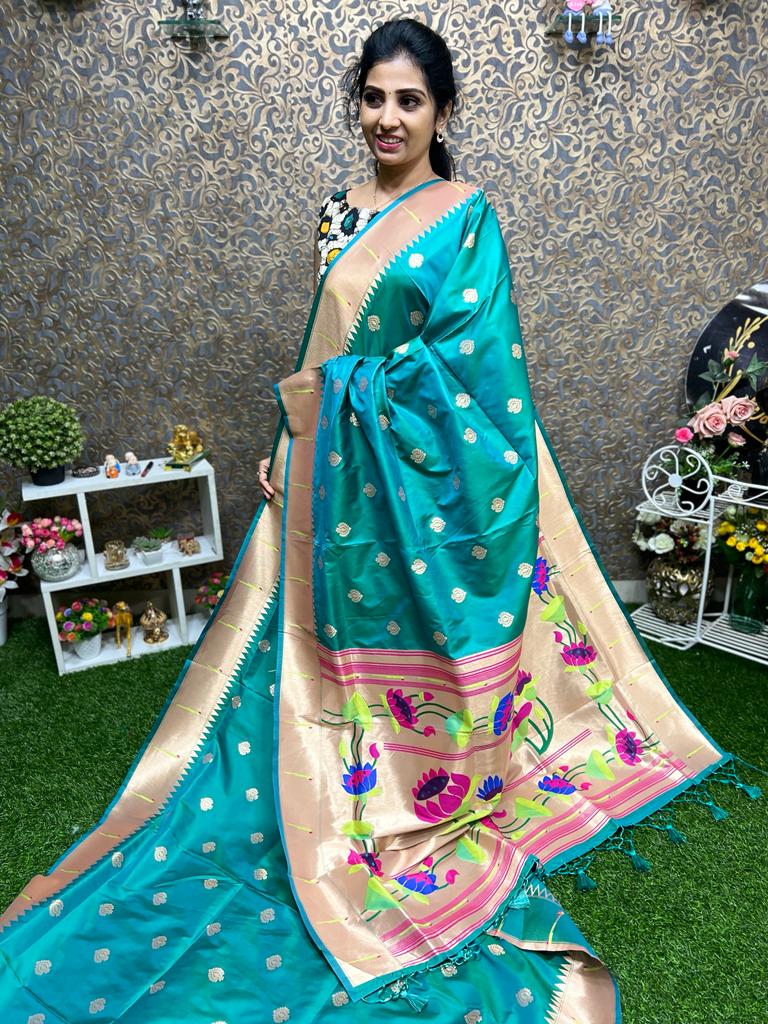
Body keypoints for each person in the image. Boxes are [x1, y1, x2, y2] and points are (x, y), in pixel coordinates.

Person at [0, 18, 754, 1024]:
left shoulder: (464, 218)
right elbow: (327, 342)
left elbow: (473, 377)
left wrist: (343, 412)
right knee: (283, 645)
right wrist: (289, 440)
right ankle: (299, 787)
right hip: (328, 474)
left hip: (412, 490)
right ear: (355, 101)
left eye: (409, 100)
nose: (387, 118)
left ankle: (398, 788)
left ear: (443, 111)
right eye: (372, 97)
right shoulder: (335, 211)